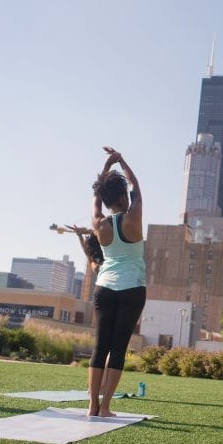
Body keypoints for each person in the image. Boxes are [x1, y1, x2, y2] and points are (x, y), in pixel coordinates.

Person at [87, 147, 145, 419]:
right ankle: (106, 406)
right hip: (131, 289)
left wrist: (106, 165)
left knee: (100, 347)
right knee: (118, 348)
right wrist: (122, 162)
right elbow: (135, 187)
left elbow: (95, 196)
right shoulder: (133, 217)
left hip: (104, 288)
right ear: (122, 197)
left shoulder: (98, 223)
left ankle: (92, 406)